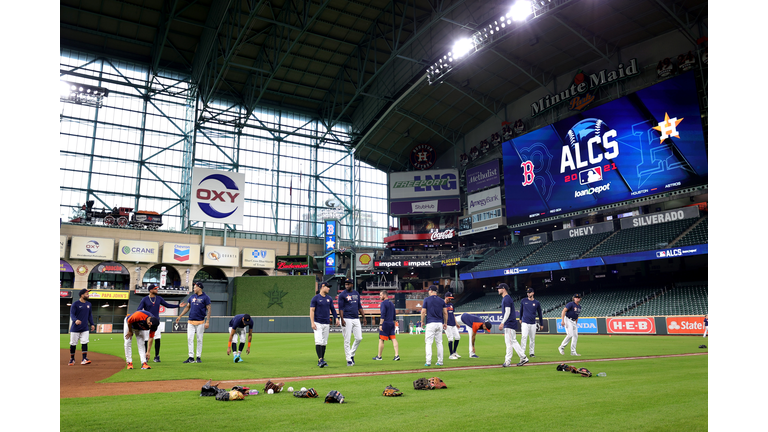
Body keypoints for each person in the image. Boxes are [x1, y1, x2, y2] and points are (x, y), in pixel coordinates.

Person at [137, 283, 186, 362]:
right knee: (146, 340)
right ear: (150, 290)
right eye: (155, 289)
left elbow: (167, 305)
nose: (157, 290)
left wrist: (178, 306)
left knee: (157, 338)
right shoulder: (145, 299)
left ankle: (157, 356)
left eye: (157, 288)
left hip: (156, 322)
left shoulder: (159, 298)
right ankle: (146, 356)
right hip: (147, 323)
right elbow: (138, 309)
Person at [176, 282, 211, 363]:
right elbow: (187, 307)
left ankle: (198, 356)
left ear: (199, 288)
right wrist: (180, 316)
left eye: (195, 287)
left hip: (200, 322)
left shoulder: (205, 297)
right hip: (191, 321)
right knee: (189, 339)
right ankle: (191, 357)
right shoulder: (192, 297)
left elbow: (209, 309)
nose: (194, 289)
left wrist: (207, 321)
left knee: (199, 339)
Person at [497, 283, 529, 367]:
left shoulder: (506, 299)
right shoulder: (506, 298)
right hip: (510, 323)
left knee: (509, 343)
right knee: (513, 342)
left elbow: (507, 311)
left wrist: (502, 322)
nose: (498, 290)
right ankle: (523, 357)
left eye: (499, 288)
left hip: (509, 323)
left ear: (504, 289)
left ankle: (508, 361)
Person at [310, 282, 339, 368]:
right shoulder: (315, 298)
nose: (329, 288)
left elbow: (332, 309)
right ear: (322, 287)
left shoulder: (329, 298)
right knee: (318, 341)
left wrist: (336, 318)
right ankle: (320, 360)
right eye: (327, 287)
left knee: (324, 342)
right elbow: (312, 310)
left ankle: (322, 358)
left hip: (326, 322)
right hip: (318, 322)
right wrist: (312, 322)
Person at [338, 278, 365, 366]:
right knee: (347, 340)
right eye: (346, 284)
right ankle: (349, 360)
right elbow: (340, 308)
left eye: (348, 284)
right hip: (346, 318)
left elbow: (359, 306)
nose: (347, 285)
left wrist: (364, 317)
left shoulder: (356, 293)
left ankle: (351, 354)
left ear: (352, 284)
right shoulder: (342, 295)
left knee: (359, 338)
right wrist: (342, 319)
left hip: (356, 318)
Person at [420, 285, 447, 367]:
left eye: (429, 290)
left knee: (428, 343)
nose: (428, 292)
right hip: (439, 323)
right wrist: (445, 323)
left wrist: (422, 321)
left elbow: (423, 312)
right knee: (439, 343)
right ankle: (440, 361)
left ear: (431, 291)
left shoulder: (427, 300)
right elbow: (445, 313)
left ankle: (428, 361)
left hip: (430, 323)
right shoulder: (442, 300)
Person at [68, 289, 95, 366]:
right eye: (86, 294)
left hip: (85, 328)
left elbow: (90, 315)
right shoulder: (75, 304)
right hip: (75, 328)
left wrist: (92, 324)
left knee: (85, 342)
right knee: (73, 343)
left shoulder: (89, 304)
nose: (88, 295)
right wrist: (75, 320)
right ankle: (72, 359)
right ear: (82, 295)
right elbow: (72, 314)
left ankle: (84, 359)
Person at [373, 290, 400, 361]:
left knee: (381, 340)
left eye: (381, 295)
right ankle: (397, 355)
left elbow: (383, 314)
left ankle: (379, 356)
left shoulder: (383, 303)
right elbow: (394, 315)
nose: (380, 296)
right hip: (391, 323)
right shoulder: (392, 303)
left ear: (385, 295)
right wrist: (394, 324)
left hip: (385, 323)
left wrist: (381, 324)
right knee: (393, 339)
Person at [519, 286, 543, 358]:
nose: (528, 294)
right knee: (524, 336)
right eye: (527, 293)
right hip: (525, 322)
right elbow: (521, 311)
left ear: (533, 293)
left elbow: (540, 313)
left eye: (529, 292)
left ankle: (531, 353)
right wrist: (520, 318)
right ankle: (522, 352)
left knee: (532, 338)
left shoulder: (537, 303)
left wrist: (541, 324)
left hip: (533, 322)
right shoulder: (523, 301)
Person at [444, 292, 462, 360]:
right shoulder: (443, 305)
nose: (450, 300)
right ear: (446, 297)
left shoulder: (451, 304)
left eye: (451, 298)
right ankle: (451, 354)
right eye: (449, 298)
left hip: (453, 324)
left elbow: (453, 314)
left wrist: (456, 323)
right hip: (447, 324)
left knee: (458, 337)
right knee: (450, 338)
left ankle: (454, 352)